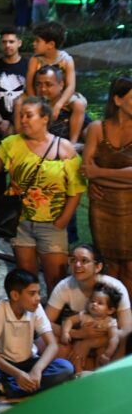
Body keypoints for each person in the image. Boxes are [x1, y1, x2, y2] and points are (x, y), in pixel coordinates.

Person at [0, 96, 86, 293]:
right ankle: (32, 318)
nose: (23, 120)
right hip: (19, 221)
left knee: (56, 280)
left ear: (45, 118)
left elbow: (76, 190)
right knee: (27, 279)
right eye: (21, 116)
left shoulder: (64, 148)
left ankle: (54, 319)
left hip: (52, 223)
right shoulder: (12, 143)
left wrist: (63, 221)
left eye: (29, 116)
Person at [0, 268, 74, 398]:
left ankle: (4, 388)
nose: (38, 298)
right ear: (15, 295)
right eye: (32, 293)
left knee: (66, 368)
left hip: (29, 363)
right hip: (3, 365)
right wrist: (17, 374)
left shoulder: (36, 308)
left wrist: (37, 370)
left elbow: (52, 345)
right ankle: (19, 386)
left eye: (39, 293)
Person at [83, 77, 132, 295]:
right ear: (118, 100)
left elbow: (93, 171)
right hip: (102, 205)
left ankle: (128, 317)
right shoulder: (96, 129)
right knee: (109, 264)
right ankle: (111, 313)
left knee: (131, 265)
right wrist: (120, 178)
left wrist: (99, 174)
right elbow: (86, 169)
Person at [44, 243, 132, 362]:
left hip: (107, 342)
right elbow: (44, 323)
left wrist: (89, 343)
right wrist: (77, 334)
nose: (77, 265)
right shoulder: (64, 286)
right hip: (74, 338)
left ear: (98, 267)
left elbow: (127, 330)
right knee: (44, 344)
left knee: (122, 347)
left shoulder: (115, 287)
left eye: (84, 260)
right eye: (73, 260)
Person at [59, 282, 121, 373]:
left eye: (100, 303)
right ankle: (78, 373)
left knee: (102, 351)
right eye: (92, 301)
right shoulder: (85, 315)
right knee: (77, 346)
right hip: (82, 344)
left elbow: (114, 338)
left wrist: (108, 354)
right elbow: (69, 320)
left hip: (100, 345)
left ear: (110, 310)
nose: (94, 304)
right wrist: (65, 332)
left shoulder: (109, 321)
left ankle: (98, 374)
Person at [25, 21, 77, 122]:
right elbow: (29, 85)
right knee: (18, 103)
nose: (34, 44)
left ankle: (74, 137)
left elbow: (71, 86)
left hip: (61, 97)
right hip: (39, 95)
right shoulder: (35, 60)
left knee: (79, 105)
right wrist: (36, 102)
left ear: (51, 44)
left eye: (37, 41)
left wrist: (59, 104)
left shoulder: (66, 60)